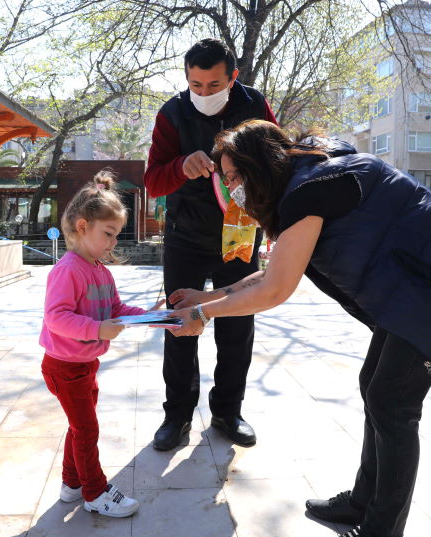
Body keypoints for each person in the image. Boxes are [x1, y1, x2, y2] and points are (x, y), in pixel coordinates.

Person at [166, 120, 431, 537]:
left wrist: (203, 317)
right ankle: (362, 503)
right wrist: (204, 298)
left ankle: (382, 528)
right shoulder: (307, 177)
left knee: (392, 405)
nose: (232, 188)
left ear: (260, 164)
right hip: (417, 288)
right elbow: (276, 272)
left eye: (235, 176)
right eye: (227, 179)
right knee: (375, 389)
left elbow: (275, 290)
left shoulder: (310, 191)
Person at [143, 38, 278, 451]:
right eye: (195, 85)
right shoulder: (172, 113)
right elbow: (152, 180)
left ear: (233, 77)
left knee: (238, 327)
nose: (203, 93)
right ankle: (177, 415)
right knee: (179, 325)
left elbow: (279, 163)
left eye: (213, 84)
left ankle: (228, 411)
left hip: (240, 235)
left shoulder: (255, 106)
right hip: (186, 235)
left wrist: (273, 219)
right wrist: (181, 166)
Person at [39, 172, 164, 518]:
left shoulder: (100, 272)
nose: (113, 243)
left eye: (116, 235)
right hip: (64, 367)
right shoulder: (68, 270)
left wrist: (152, 316)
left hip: (84, 365)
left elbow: (117, 310)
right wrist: (97, 329)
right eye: (108, 234)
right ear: (82, 226)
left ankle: (71, 484)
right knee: (87, 429)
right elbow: (56, 317)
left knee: (79, 426)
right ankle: (94, 492)